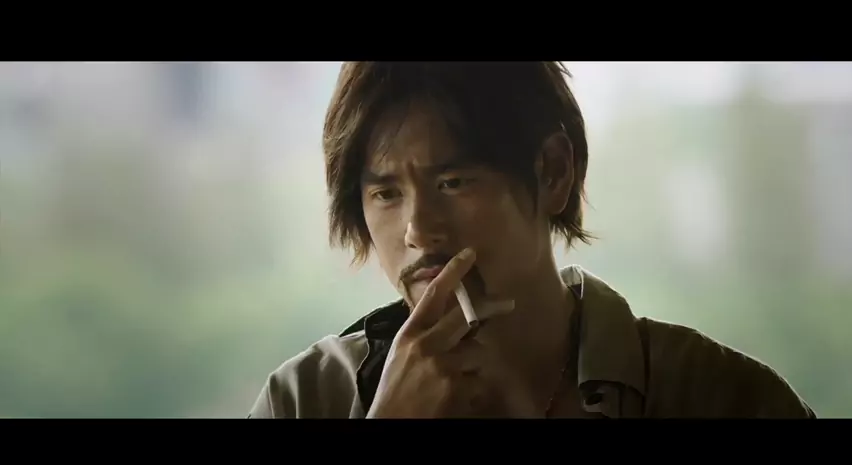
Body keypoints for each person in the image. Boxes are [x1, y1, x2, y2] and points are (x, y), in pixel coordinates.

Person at [248, 62, 816, 419]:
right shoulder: (304, 400)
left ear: (552, 172)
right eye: (386, 194)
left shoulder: (718, 397)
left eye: (453, 182)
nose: (418, 231)